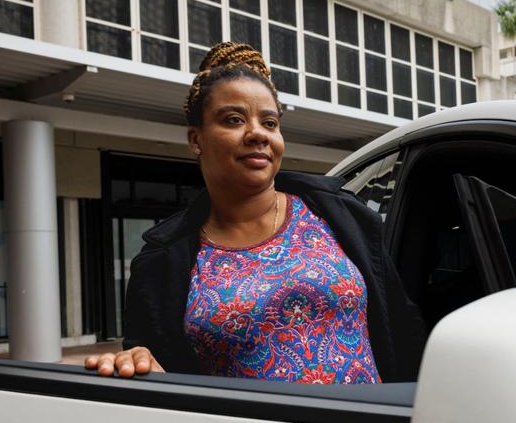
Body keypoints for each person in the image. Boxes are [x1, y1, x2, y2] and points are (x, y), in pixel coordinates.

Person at [85, 42, 424, 383]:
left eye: (270, 122)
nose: (257, 134)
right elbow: (151, 366)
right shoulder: (160, 262)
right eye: (234, 120)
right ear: (195, 139)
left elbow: (404, 330)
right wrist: (135, 358)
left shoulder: (341, 215)